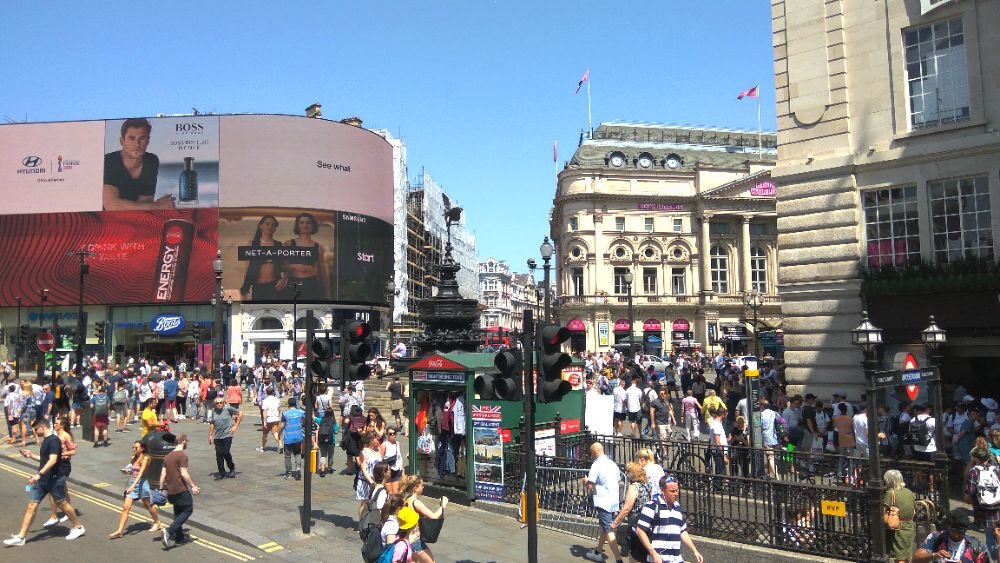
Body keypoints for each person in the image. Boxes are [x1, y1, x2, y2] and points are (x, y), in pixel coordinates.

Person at [5, 419, 86, 545]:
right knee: (32, 505)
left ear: (42, 427)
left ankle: (78, 527)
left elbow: (53, 460)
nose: (35, 432)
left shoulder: (53, 441)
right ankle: (21, 537)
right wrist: (31, 455)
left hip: (54, 478)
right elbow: (45, 459)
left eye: (36, 429)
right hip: (44, 479)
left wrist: (39, 474)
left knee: (62, 503)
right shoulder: (47, 441)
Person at [103, 118, 174, 210]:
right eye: (132, 138)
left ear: (148, 141)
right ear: (122, 141)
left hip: (134, 215)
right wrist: (157, 205)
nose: (137, 144)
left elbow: (146, 202)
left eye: (142, 138)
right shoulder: (109, 161)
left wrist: (157, 205)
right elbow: (111, 206)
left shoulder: (151, 160)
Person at [634, 474, 704, 563]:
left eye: (677, 490)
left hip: (676, 559)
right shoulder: (652, 506)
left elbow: (682, 531)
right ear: (662, 491)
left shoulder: (677, 507)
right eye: (672, 491)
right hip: (659, 559)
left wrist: (694, 550)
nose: (676, 494)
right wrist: (653, 554)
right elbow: (640, 531)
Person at [109, 441, 162, 538]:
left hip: (142, 483)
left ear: (142, 449)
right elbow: (132, 471)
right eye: (133, 447)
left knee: (148, 505)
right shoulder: (133, 458)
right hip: (132, 482)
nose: (134, 449)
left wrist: (133, 486)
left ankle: (157, 522)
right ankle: (120, 531)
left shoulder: (145, 458)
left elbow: (141, 473)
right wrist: (126, 472)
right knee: (126, 508)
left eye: (136, 448)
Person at [584, 442, 625, 563]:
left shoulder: (596, 465)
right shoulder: (612, 464)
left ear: (594, 452)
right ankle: (597, 552)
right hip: (613, 501)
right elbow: (619, 481)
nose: (590, 455)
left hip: (603, 501)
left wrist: (585, 481)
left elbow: (590, 485)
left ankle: (618, 560)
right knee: (604, 527)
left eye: (591, 453)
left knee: (608, 531)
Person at [159, 434, 200, 548]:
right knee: (188, 509)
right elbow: (184, 473)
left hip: (170, 490)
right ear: (183, 441)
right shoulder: (182, 455)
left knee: (178, 512)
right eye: (186, 441)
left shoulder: (167, 456)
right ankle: (169, 531)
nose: (187, 443)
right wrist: (193, 486)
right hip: (180, 488)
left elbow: (163, 474)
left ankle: (179, 537)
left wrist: (161, 488)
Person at [610, 462, 654, 563]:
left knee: (635, 554)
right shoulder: (648, 485)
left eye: (628, 472)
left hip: (636, 523)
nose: (627, 474)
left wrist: (615, 523)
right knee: (644, 552)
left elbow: (627, 508)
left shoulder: (634, 487)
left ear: (633, 473)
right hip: (647, 521)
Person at [240, 215, 289, 301]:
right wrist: (245, 291)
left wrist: (284, 280)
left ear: (275, 228)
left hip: (275, 287)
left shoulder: (279, 245)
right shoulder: (251, 245)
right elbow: (248, 270)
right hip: (258, 288)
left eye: (273, 225)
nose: (270, 227)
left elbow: (287, 267)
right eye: (267, 224)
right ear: (260, 226)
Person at [399, 476, 447, 563]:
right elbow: (434, 516)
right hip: (416, 540)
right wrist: (443, 506)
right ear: (415, 488)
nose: (423, 487)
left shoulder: (406, 500)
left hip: (407, 538)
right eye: (422, 485)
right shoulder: (416, 503)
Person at [283, 212, 330, 300]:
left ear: (313, 225)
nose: (305, 225)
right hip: (293, 283)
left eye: (308, 222)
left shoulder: (318, 247)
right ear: (298, 226)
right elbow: (282, 266)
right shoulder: (289, 244)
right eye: (302, 222)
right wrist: (294, 266)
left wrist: (327, 293)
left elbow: (323, 271)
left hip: (311, 285)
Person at [912, 509, 988, 563]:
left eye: (960, 532)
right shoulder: (936, 537)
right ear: (948, 527)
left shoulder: (976, 546)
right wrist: (934, 555)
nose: (956, 535)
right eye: (953, 531)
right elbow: (915, 559)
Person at [964, 449, 1000, 559]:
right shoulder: (997, 469)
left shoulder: (973, 471)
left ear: (975, 458)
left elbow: (970, 492)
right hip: (998, 505)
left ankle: (995, 558)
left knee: (990, 535)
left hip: (985, 509)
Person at [882, 469, 917, 563]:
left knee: (898, 555)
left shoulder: (890, 493)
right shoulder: (909, 492)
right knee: (907, 554)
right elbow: (914, 509)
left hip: (897, 528)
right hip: (910, 526)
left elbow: (883, 512)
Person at [208, 395, 242, 479]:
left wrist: (235, 426)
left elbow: (240, 413)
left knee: (225, 452)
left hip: (227, 434)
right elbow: (212, 424)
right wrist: (210, 435)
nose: (219, 404)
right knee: (219, 455)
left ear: (223, 403)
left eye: (220, 403)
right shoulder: (213, 411)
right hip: (217, 437)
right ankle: (221, 472)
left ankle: (232, 468)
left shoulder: (228, 408)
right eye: (217, 403)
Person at [356, 432, 384, 515]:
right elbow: (363, 469)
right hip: (365, 481)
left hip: (377, 480)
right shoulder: (364, 452)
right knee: (365, 502)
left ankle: (371, 519)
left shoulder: (377, 450)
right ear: (371, 440)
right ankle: (362, 520)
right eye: (375, 438)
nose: (378, 440)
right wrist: (371, 481)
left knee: (377, 501)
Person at [280, 397, 305, 480]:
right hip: (298, 437)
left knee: (287, 456)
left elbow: (282, 426)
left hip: (288, 438)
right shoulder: (301, 412)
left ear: (288, 404)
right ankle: (298, 469)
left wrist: (279, 434)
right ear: (295, 404)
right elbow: (305, 420)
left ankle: (289, 473)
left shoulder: (285, 414)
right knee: (297, 453)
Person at [381, 426, 405, 494]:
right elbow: (381, 459)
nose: (392, 435)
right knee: (389, 493)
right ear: (387, 434)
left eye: (394, 433)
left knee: (396, 493)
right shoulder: (384, 445)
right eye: (390, 434)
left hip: (397, 470)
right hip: (388, 471)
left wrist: (403, 471)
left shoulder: (398, 444)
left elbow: (399, 458)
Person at [258, 386, 281, 452]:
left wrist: (264, 421)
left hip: (269, 419)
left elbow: (265, 411)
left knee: (265, 434)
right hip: (276, 418)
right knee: (275, 433)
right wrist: (279, 417)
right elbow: (279, 409)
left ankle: (263, 447)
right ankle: (280, 444)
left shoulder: (265, 401)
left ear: (266, 393)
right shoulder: (277, 399)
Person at [91, 381, 111, 447]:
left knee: (96, 429)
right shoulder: (107, 397)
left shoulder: (95, 397)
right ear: (104, 391)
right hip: (104, 414)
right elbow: (108, 406)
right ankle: (105, 442)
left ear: (98, 391)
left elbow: (91, 406)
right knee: (104, 428)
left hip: (96, 414)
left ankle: (96, 443)